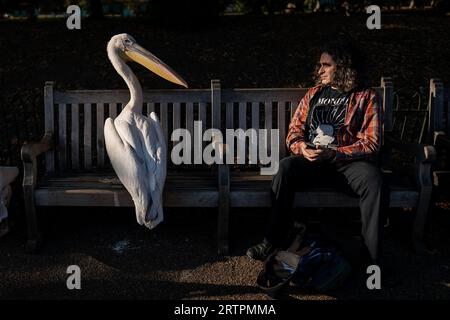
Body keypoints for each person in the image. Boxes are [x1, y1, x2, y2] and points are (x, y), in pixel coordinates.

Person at [246, 41, 387, 270]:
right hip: (312, 162)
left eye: (326, 65)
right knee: (285, 168)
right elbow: (293, 132)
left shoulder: (366, 96)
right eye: (319, 65)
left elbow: (372, 142)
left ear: (342, 67)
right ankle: (271, 242)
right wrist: (302, 148)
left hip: (346, 164)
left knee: (374, 180)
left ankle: (373, 259)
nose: (319, 70)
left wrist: (334, 154)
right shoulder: (313, 94)